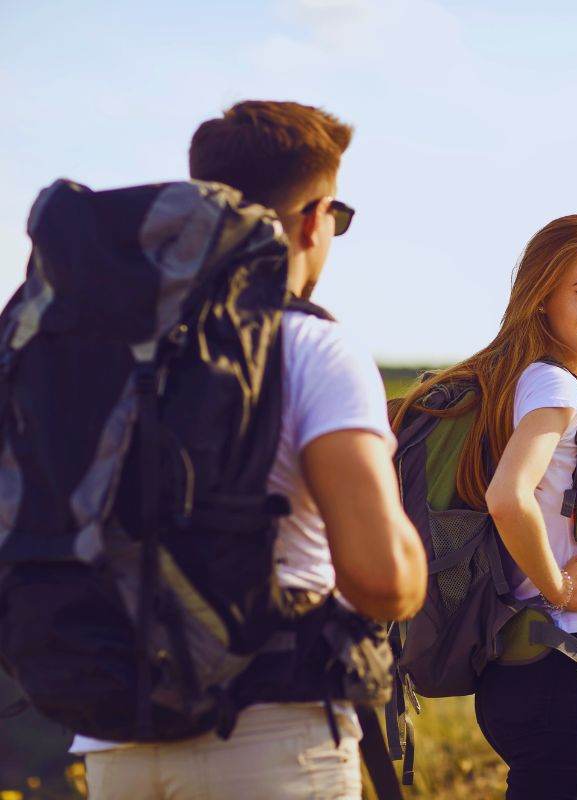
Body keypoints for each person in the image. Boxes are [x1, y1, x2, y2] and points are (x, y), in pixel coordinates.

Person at [71, 100, 428, 798]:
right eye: (338, 218)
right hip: (270, 731)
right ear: (313, 218)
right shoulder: (313, 346)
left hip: (113, 733)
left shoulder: (104, 353)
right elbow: (382, 579)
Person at [397, 214, 577, 799]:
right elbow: (507, 497)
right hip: (558, 667)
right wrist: (560, 588)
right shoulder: (554, 386)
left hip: (527, 665)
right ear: (542, 297)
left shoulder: (519, 380)